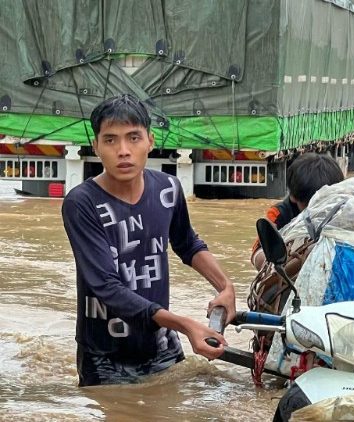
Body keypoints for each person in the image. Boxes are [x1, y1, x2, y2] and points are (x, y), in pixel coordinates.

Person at [61, 94, 236, 387]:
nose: (123, 151)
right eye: (111, 140)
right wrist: (184, 324)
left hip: (160, 344)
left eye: (133, 138)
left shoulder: (168, 189)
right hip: (105, 356)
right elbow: (106, 286)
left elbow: (187, 243)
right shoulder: (81, 203)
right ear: (96, 147)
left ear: (150, 141)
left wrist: (226, 287)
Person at [250, 152, 344, 269]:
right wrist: (281, 262)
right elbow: (257, 252)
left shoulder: (345, 211)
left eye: (322, 203)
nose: (316, 211)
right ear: (293, 197)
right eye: (311, 204)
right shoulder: (279, 214)